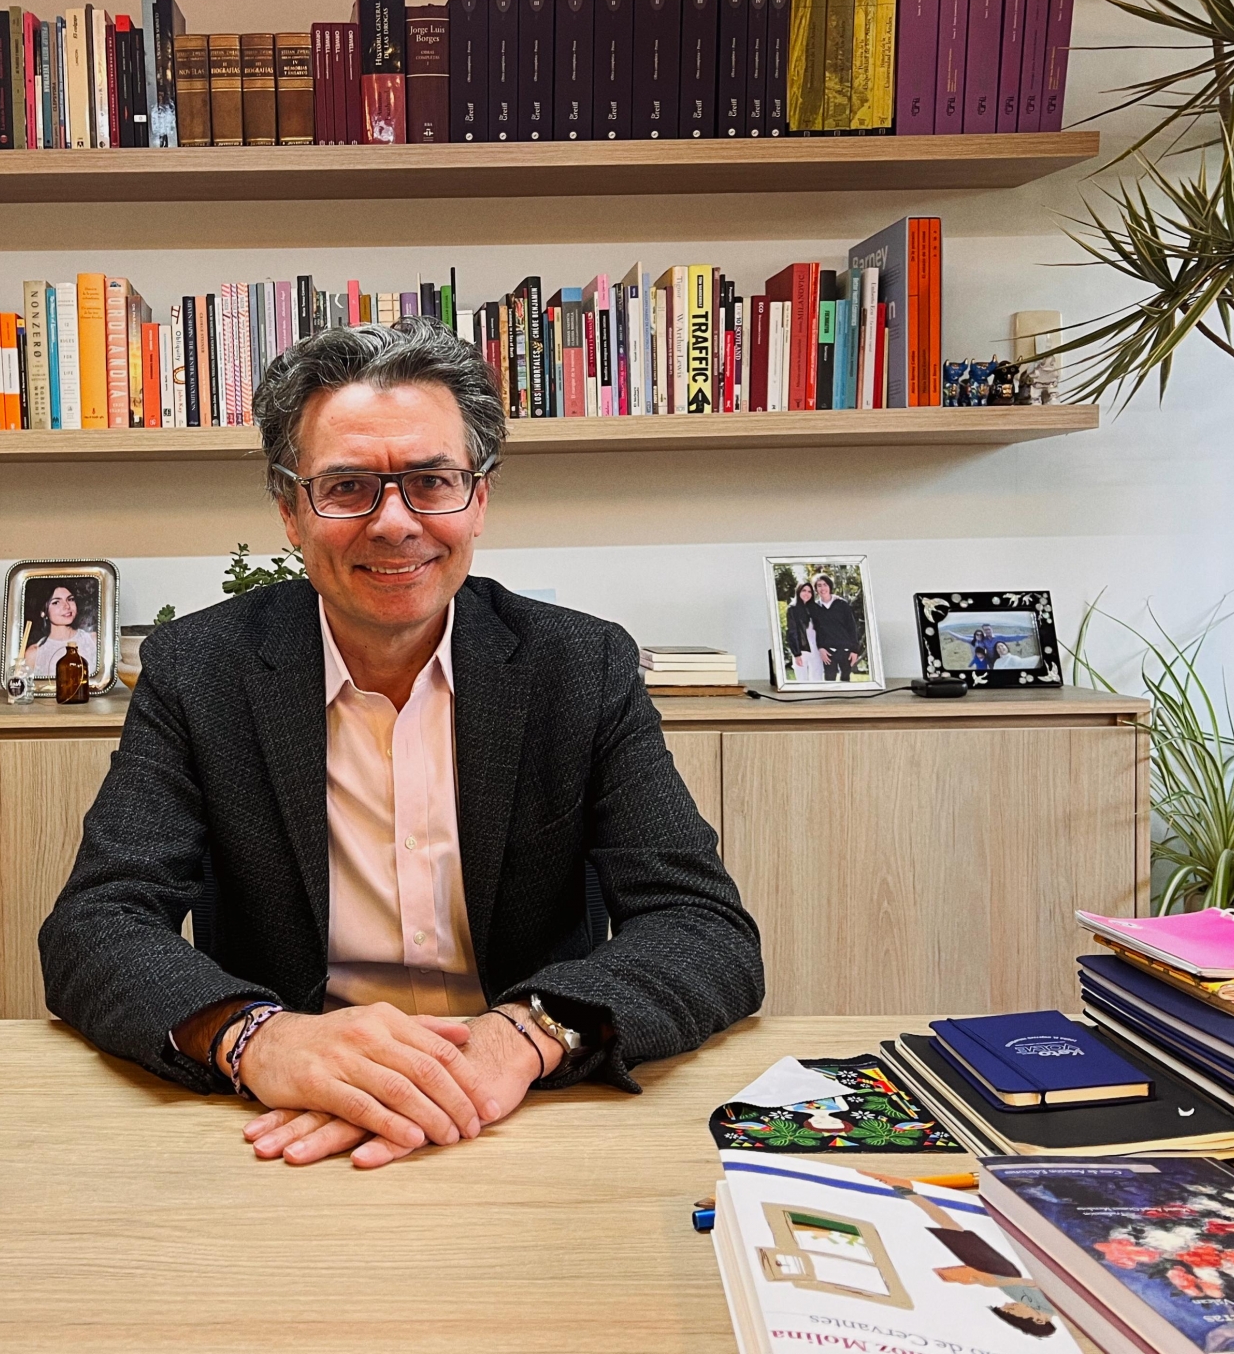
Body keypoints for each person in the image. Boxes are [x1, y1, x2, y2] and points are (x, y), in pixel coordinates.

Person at [38, 318, 763, 1170]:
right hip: (281, 1128)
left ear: (479, 498)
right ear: (290, 509)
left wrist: (523, 1035)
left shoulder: (579, 666)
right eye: (347, 486)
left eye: (431, 481)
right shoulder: (201, 672)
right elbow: (98, 921)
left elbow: (702, 925)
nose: (393, 522)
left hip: (525, 1113)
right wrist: (260, 1037)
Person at [24, 580, 98, 681]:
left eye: (70, 599)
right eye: (56, 602)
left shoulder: (93, 640)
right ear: (43, 612)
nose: (67, 606)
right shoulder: (34, 654)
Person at [812, 574, 862, 681]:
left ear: (829, 586)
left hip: (846, 650)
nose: (822, 588)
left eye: (825, 585)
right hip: (828, 652)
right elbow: (817, 631)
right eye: (819, 585)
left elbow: (852, 627)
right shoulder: (815, 608)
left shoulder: (842, 604)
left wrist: (854, 650)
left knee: (845, 680)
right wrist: (821, 648)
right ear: (816, 589)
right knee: (829, 681)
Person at [783, 581, 825, 683]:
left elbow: (822, 630)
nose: (807, 594)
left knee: (817, 679)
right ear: (798, 592)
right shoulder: (792, 609)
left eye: (809, 591)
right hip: (801, 648)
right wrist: (797, 654)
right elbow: (792, 632)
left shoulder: (815, 608)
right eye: (804, 590)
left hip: (816, 648)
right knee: (802, 680)